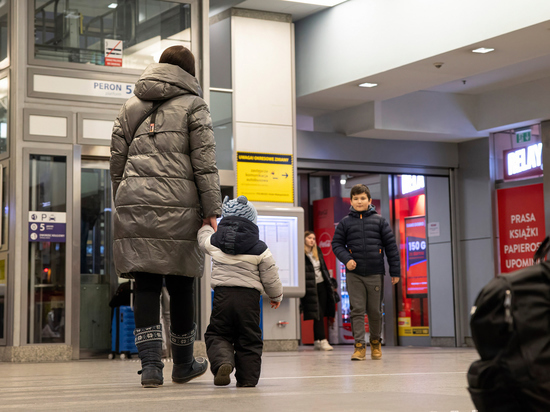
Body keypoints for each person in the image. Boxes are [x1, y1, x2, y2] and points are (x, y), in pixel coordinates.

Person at [110, 45, 222, 388]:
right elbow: (204, 164)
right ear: (189, 72)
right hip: (181, 205)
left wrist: (126, 196)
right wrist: (212, 210)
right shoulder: (194, 105)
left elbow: (117, 162)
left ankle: (151, 367)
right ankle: (184, 363)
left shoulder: (130, 106)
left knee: (144, 284)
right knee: (181, 283)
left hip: (135, 203)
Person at [199, 196, 283, 388]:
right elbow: (270, 275)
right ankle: (248, 380)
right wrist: (276, 295)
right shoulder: (260, 248)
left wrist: (206, 225)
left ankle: (223, 362)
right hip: (249, 300)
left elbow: (202, 240)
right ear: (252, 221)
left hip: (223, 297)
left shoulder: (215, 241)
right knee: (249, 338)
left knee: (218, 333)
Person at [331, 184, 400, 361]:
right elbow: (336, 244)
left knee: (375, 311)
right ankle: (359, 346)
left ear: (369, 201)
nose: (359, 201)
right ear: (351, 201)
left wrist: (395, 271)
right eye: (356, 198)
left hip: (375, 272)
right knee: (357, 310)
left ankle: (375, 343)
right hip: (354, 275)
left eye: (362, 198)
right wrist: (347, 259)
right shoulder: (345, 223)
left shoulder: (380, 221)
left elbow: (391, 247)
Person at [302, 231, 336, 351]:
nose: (312, 240)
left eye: (314, 238)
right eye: (309, 238)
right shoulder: (301, 254)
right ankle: (322, 340)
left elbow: (324, 269)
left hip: (322, 285)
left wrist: (330, 283)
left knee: (321, 313)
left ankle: (318, 340)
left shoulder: (318, 252)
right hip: (310, 286)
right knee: (318, 313)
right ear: (304, 239)